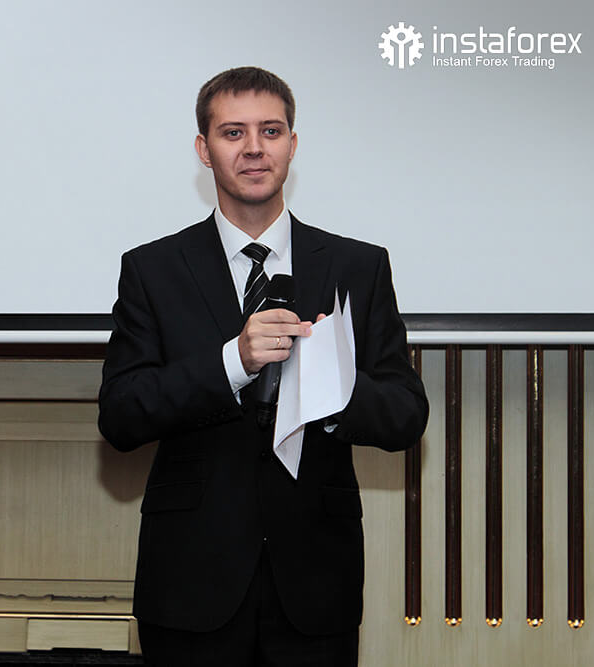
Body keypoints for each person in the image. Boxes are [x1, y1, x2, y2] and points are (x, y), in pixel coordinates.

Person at [97, 67, 428, 666]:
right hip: (191, 580)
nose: (254, 148)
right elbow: (121, 415)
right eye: (233, 133)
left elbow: (406, 413)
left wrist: (331, 389)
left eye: (270, 131)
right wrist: (234, 361)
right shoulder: (152, 268)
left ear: (292, 145)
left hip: (316, 580)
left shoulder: (357, 266)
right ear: (204, 150)